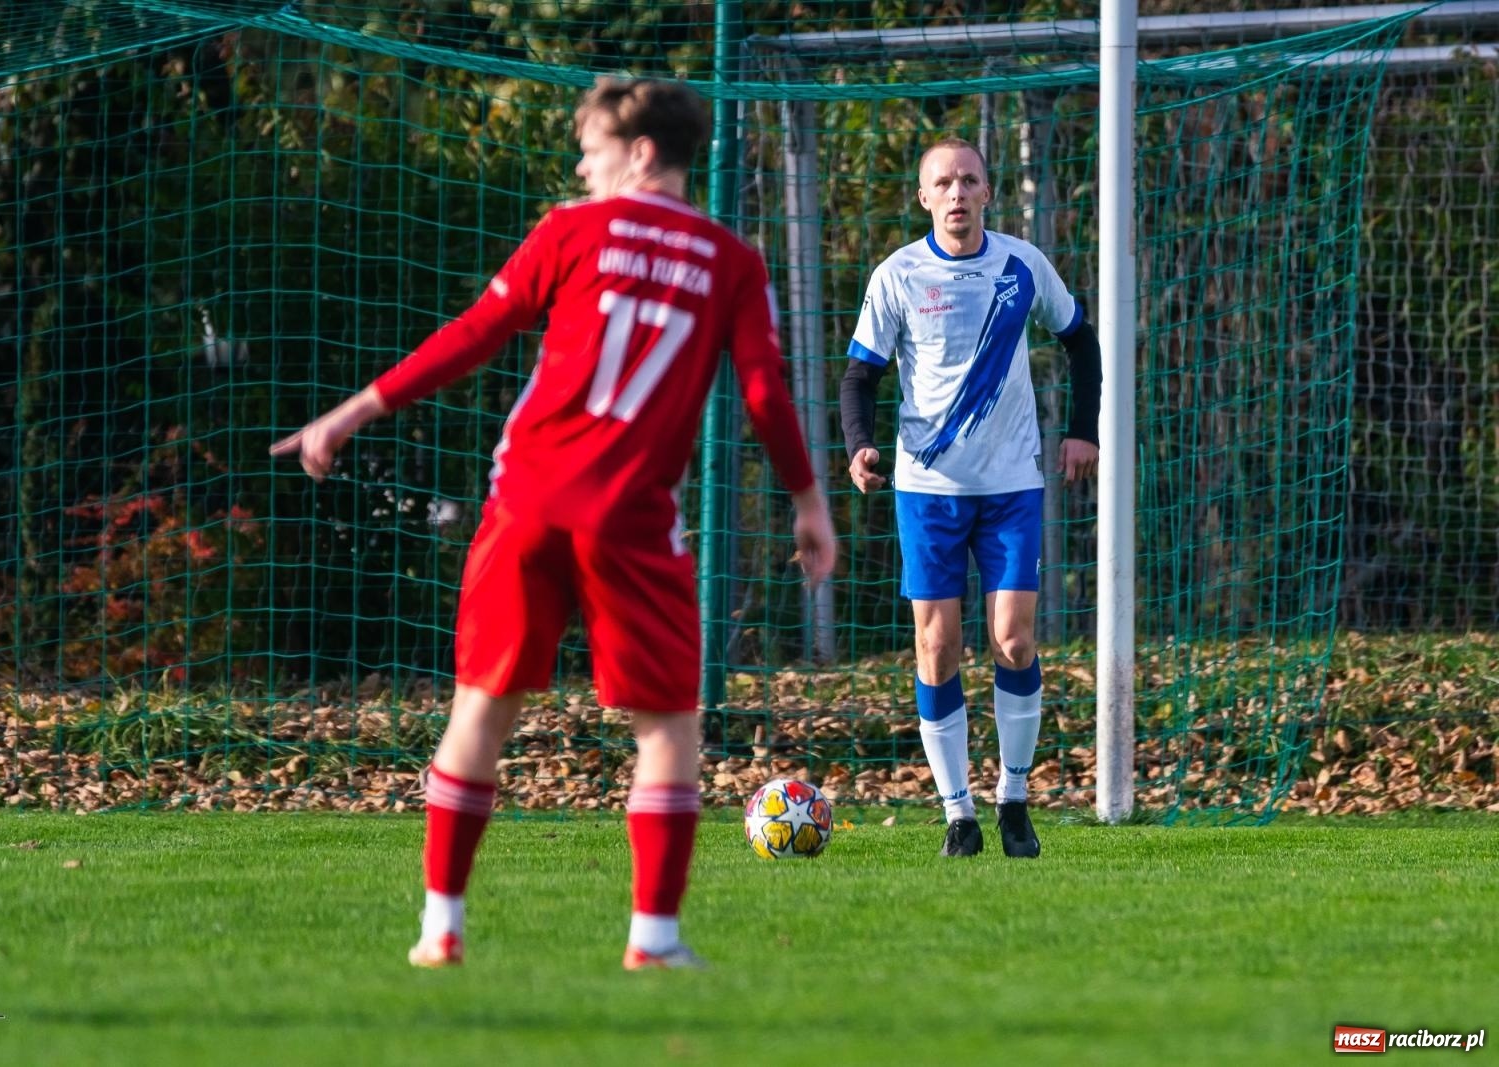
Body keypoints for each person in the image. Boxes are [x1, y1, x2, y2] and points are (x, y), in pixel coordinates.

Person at [271, 77, 835, 969]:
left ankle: (441, 928)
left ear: (640, 152)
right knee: (667, 727)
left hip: (526, 502)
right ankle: (653, 940)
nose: (581, 166)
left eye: (591, 147)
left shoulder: (571, 230)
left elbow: (474, 334)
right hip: (631, 519)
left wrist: (351, 413)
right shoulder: (731, 260)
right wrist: (808, 501)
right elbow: (764, 390)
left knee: (480, 710)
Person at [839, 137, 1100, 859]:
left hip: (1012, 484)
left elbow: (1081, 341)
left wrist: (1083, 431)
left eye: (969, 180)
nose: (957, 193)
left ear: (989, 192)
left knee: (1014, 640)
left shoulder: (1023, 266)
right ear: (924, 197)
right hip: (928, 491)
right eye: (943, 183)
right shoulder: (897, 274)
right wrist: (860, 445)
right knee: (937, 645)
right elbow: (860, 375)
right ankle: (959, 813)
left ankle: (1014, 800)